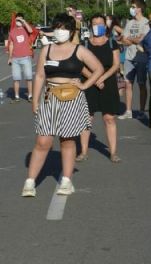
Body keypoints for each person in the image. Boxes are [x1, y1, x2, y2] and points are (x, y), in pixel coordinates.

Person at [21, 13, 104, 197]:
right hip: (50, 97)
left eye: (64, 28)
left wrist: (84, 85)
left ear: (71, 31)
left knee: (67, 140)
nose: (60, 31)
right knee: (43, 141)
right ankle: (30, 182)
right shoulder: (46, 50)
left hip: (72, 98)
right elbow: (40, 76)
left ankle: (66, 180)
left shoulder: (79, 50)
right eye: (57, 27)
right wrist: (34, 100)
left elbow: (98, 69)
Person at [77, 15, 122, 163]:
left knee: (109, 118)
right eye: (94, 23)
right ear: (90, 26)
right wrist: (94, 79)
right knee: (86, 118)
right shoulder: (84, 44)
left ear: (105, 25)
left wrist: (102, 78)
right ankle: (83, 152)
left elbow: (116, 65)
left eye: (100, 23)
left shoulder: (111, 43)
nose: (97, 26)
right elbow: (81, 65)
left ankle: (113, 152)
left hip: (107, 83)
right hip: (89, 83)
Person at [119, 0, 150, 120]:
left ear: (139, 9)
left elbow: (141, 40)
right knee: (128, 84)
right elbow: (124, 40)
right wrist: (133, 40)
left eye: (133, 6)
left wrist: (130, 39)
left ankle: (142, 111)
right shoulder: (130, 23)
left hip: (141, 58)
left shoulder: (146, 23)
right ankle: (128, 111)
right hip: (129, 57)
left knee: (141, 84)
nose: (131, 9)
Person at [7, 13, 37, 102]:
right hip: (15, 58)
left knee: (29, 77)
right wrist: (10, 57)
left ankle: (30, 96)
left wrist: (23, 21)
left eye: (20, 20)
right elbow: (11, 44)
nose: (18, 22)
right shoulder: (12, 31)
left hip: (25, 57)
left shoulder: (26, 29)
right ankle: (16, 96)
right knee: (16, 78)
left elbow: (31, 31)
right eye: (17, 20)